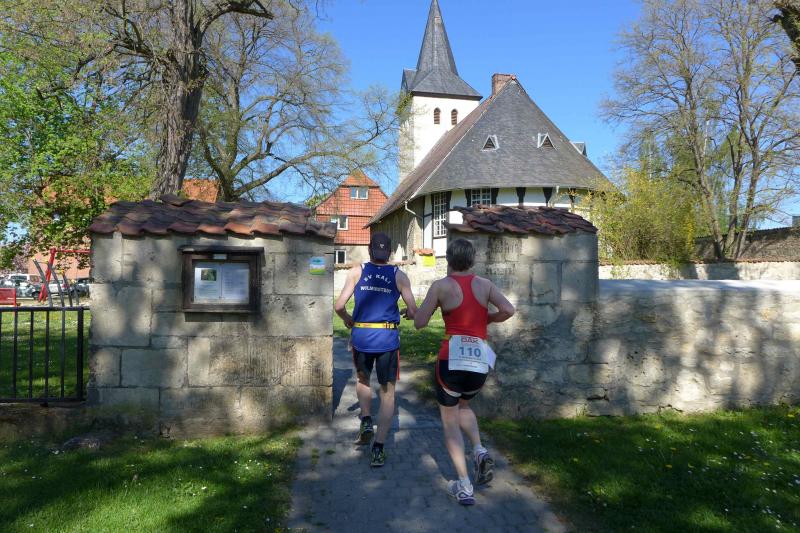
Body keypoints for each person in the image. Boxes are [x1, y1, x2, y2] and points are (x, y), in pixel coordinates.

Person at [414, 238, 515, 505]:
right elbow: (508, 309)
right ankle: (479, 450)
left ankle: (464, 485)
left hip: (452, 358)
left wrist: (420, 311)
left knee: (450, 422)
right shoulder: (485, 285)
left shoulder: (441, 286)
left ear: (448, 259)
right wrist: (486, 319)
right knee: (465, 406)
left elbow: (420, 323)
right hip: (479, 359)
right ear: (472, 259)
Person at [334, 232, 417, 467]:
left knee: (362, 380)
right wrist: (407, 313)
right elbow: (413, 310)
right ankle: (378, 449)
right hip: (387, 339)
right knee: (388, 392)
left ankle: (366, 420)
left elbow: (339, 306)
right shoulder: (400, 276)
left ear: (370, 250)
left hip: (362, 337)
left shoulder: (357, 271)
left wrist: (348, 320)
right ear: (389, 253)